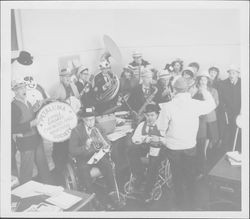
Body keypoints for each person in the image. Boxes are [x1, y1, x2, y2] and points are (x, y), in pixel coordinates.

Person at [156, 77, 216, 210]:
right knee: (190, 174)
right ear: (188, 89)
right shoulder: (194, 104)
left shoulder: (168, 106)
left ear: (174, 90)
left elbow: (160, 127)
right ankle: (192, 201)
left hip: (173, 147)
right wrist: (204, 90)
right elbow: (212, 104)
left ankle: (179, 202)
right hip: (189, 146)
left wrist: (165, 138)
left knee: (176, 175)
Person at [68, 107, 118, 209]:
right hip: (83, 158)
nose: (91, 122)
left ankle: (112, 193)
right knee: (84, 173)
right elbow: (72, 151)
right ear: (82, 119)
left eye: (92, 119)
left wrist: (106, 145)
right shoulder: (76, 131)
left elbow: (107, 141)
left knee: (107, 166)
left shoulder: (98, 128)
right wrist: (85, 147)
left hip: (97, 155)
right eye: (88, 120)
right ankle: (93, 199)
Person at [11, 78, 51, 184]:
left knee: (43, 166)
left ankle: (49, 186)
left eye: (24, 87)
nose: (24, 90)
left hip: (36, 138)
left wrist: (37, 107)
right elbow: (13, 128)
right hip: (26, 142)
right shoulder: (13, 106)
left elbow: (29, 115)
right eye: (20, 88)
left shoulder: (27, 102)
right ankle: (25, 193)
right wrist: (31, 124)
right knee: (26, 171)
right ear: (15, 91)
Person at [127, 103, 167, 202]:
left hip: (160, 150)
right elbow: (134, 139)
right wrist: (145, 138)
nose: (150, 118)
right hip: (146, 148)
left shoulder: (163, 126)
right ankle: (139, 175)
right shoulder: (142, 125)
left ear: (157, 115)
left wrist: (160, 139)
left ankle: (147, 190)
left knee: (154, 161)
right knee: (132, 150)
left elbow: (169, 141)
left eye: (152, 115)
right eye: (148, 115)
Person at [50, 68, 80, 181]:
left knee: (72, 142)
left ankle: (71, 167)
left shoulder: (73, 86)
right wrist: (63, 104)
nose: (68, 78)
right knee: (60, 148)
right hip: (62, 122)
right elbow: (52, 106)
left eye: (69, 76)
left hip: (73, 119)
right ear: (61, 78)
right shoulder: (57, 89)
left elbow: (78, 99)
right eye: (65, 76)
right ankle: (60, 172)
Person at [193, 71, 219, 175]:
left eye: (205, 79)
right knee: (200, 140)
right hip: (199, 119)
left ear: (208, 81)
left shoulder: (213, 90)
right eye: (201, 79)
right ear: (198, 80)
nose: (203, 81)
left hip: (210, 118)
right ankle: (202, 159)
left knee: (209, 138)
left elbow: (216, 103)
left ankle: (205, 159)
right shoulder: (195, 90)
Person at [219, 65, 241, 152]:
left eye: (234, 73)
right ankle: (226, 151)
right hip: (227, 113)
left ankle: (238, 150)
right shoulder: (223, 83)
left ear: (237, 74)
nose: (231, 75)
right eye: (230, 73)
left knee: (238, 132)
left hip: (239, 112)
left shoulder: (243, 83)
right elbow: (220, 99)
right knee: (227, 132)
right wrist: (224, 111)